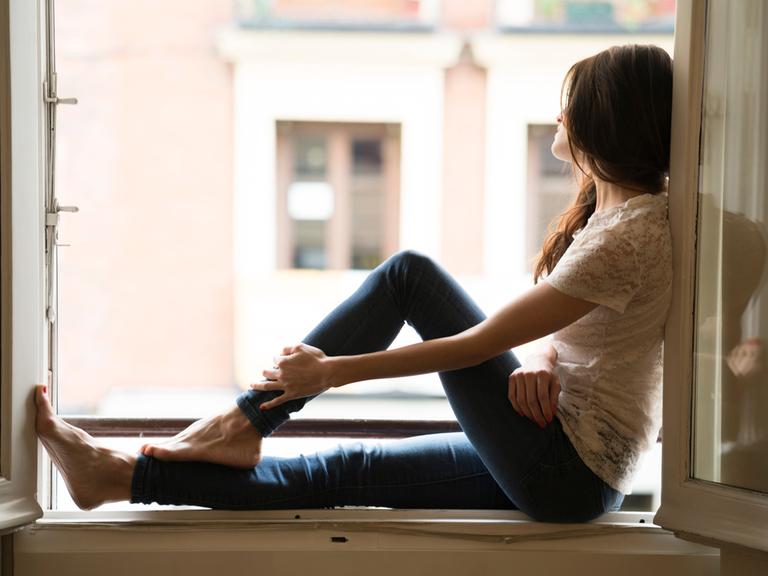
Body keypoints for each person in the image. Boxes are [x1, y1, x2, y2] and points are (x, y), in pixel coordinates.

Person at [35, 43, 673, 523]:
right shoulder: (617, 216)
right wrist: (547, 356)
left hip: (565, 468)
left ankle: (244, 423)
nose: (559, 110)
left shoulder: (631, 232)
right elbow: (602, 324)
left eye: (575, 97)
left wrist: (329, 373)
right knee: (346, 470)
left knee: (409, 277)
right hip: (566, 459)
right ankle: (117, 477)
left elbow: (476, 346)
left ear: (603, 120)